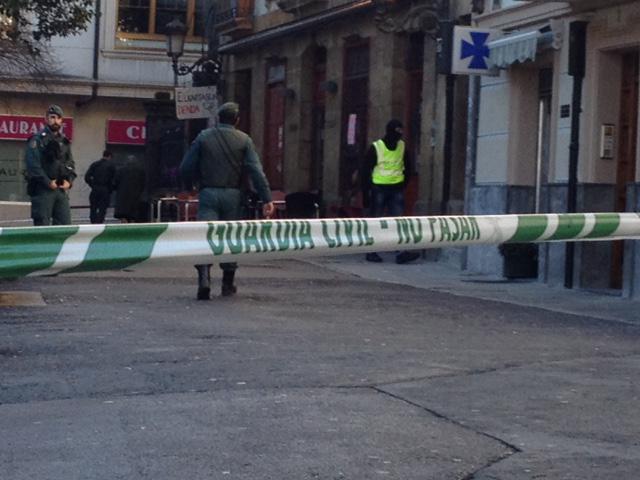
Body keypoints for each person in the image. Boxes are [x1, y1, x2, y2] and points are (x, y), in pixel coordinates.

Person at [180, 102, 275, 300]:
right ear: (237, 120)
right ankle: (227, 283)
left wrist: (190, 186)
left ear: (218, 118)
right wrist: (266, 197)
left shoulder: (203, 137)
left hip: (208, 193)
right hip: (233, 195)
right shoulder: (244, 140)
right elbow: (256, 171)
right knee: (230, 237)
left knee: (205, 236)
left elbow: (186, 167)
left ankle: (204, 279)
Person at [361, 119, 420, 264]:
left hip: (395, 189)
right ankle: (371, 251)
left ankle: (400, 252)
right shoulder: (377, 147)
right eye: (397, 132)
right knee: (376, 221)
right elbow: (365, 170)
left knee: (397, 222)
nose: (398, 136)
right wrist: (366, 193)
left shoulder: (402, 146)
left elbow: (408, 167)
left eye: (400, 132)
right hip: (379, 188)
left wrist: (403, 184)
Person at [25, 104, 76, 226]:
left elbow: (70, 164)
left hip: (60, 190)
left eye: (58, 118)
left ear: (61, 120)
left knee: (64, 226)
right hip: (43, 189)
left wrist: (69, 181)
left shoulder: (64, 141)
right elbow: (33, 166)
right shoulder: (37, 139)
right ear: (46, 119)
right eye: (52, 117)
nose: (55, 121)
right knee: (42, 227)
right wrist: (48, 182)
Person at [84, 150, 116, 224]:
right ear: (109, 156)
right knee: (102, 209)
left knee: (93, 208)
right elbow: (114, 180)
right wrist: (110, 189)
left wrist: (92, 185)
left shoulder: (95, 164)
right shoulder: (111, 166)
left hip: (95, 189)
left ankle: (93, 223)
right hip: (105, 190)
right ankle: (99, 224)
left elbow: (87, 177)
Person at [113, 155, 146, 223]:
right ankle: (132, 223)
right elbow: (143, 183)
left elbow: (115, 182)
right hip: (135, 194)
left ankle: (124, 222)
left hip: (122, 194)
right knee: (133, 213)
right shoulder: (140, 171)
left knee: (123, 214)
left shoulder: (120, 170)